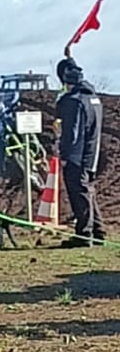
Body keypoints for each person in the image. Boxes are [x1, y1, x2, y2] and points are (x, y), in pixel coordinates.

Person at [55, 55, 105, 246]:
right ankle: (98, 231)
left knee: (79, 193)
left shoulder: (73, 101)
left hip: (76, 155)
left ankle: (84, 235)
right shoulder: (93, 98)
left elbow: (71, 132)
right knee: (87, 191)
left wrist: (64, 154)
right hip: (91, 152)